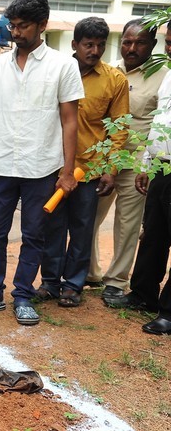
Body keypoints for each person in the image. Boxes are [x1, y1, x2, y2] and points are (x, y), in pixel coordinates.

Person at [0, 0, 84, 326]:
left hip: (41, 167)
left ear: (42, 25)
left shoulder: (63, 65)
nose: (15, 33)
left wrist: (66, 170)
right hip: (0, 166)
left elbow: (69, 120)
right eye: (12, 26)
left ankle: (22, 297)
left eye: (23, 26)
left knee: (34, 235)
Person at [37, 17, 129, 307]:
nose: (95, 50)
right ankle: (50, 283)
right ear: (74, 44)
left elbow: (119, 128)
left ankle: (73, 286)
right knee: (51, 228)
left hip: (89, 171)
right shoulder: (56, 72)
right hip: (53, 167)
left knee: (81, 230)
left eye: (101, 45)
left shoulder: (114, 80)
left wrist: (110, 170)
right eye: (89, 44)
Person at [89, 19, 169, 304]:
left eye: (140, 43)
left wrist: (148, 165)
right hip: (106, 157)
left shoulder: (164, 76)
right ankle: (91, 272)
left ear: (153, 45)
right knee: (90, 217)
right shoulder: (109, 71)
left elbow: (163, 123)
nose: (131, 48)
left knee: (127, 224)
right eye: (127, 42)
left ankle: (115, 281)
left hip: (138, 162)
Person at [108, 70, 171, 335]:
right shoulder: (168, 75)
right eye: (168, 42)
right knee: (154, 235)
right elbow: (161, 119)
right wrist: (148, 161)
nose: (169, 48)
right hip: (161, 165)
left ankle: (168, 312)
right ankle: (143, 294)